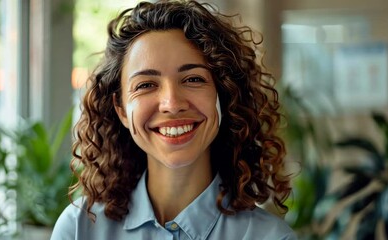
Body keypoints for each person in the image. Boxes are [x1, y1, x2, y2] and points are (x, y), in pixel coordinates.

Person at [51, 0, 296, 239]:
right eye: (146, 85)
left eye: (193, 79)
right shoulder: (78, 228)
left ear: (223, 96)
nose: (172, 104)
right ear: (121, 109)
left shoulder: (269, 236)